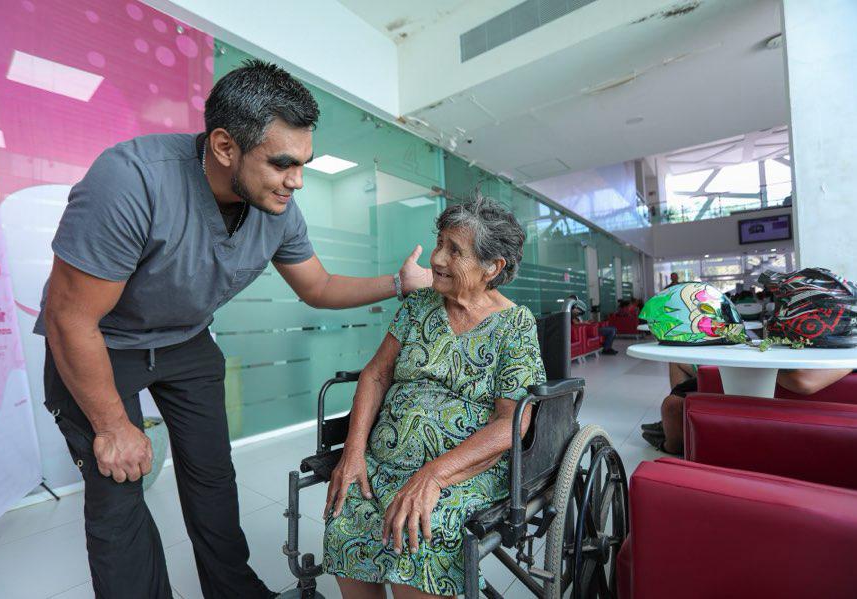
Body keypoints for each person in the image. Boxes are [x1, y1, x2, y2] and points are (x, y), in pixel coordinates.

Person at [36, 60, 432, 599]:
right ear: (225, 146)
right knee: (117, 486)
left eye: (303, 163)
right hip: (100, 342)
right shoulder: (132, 180)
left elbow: (317, 286)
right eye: (282, 163)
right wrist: (111, 426)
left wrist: (398, 283)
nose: (296, 180)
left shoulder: (278, 208)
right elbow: (70, 317)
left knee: (212, 478)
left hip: (185, 340)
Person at [322, 198, 545, 598]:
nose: (438, 258)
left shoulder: (515, 325)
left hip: (462, 471)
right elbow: (376, 374)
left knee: (419, 533)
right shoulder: (419, 305)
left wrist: (434, 475)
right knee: (345, 512)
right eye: (439, 243)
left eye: (454, 250)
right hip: (384, 461)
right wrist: (353, 452)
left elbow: (510, 423)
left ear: (492, 267)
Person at [643, 367, 853, 455]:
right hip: (763, 389)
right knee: (678, 394)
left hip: (764, 394)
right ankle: (673, 427)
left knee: (672, 405)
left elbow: (803, 382)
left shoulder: (847, 352)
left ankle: (670, 441)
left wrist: (754, 360)